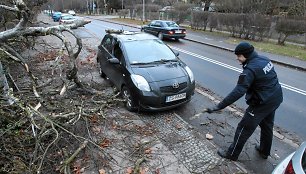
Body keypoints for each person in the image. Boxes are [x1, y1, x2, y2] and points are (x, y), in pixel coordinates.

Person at [206, 42, 283, 161]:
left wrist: (219, 106)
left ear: (246, 55)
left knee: (243, 128)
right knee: (267, 126)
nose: (237, 59)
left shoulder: (250, 70)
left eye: (239, 56)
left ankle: (232, 154)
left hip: (262, 103)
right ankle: (264, 151)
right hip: (275, 98)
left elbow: (238, 91)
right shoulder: (264, 59)